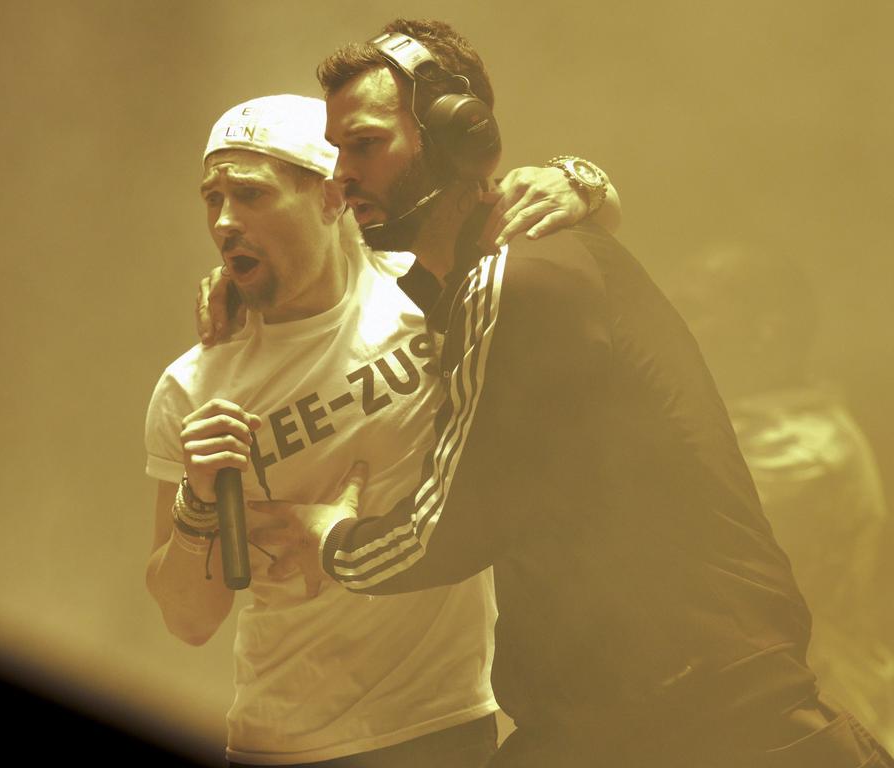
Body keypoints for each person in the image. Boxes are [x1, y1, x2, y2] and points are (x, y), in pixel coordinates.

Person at [248, 18, 894, 768]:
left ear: (460, 138)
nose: (342, 175)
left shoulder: (513, 277)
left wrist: (332, 537)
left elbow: (446, 527)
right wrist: (258, 290)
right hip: (644, 710)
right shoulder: (502, 273)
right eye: (335, 153)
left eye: (364, 144)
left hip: (692, 718)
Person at [144, 94, 618, 767]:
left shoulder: (433, 290)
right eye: (212, 198)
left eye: (250, 194)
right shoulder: (194, 386)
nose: (223, 220)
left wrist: (582, 183)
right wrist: (196, 501)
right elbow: (189, 621)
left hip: (448, 723)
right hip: (281, 742)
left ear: (334, 196)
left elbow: (581, 234)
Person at [667, 243, 894, 751]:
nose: (672, 324)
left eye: (694, 307)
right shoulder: (748, 424)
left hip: (816, 723)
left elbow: (665, 538)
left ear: (766, 330)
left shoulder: (807, 450)